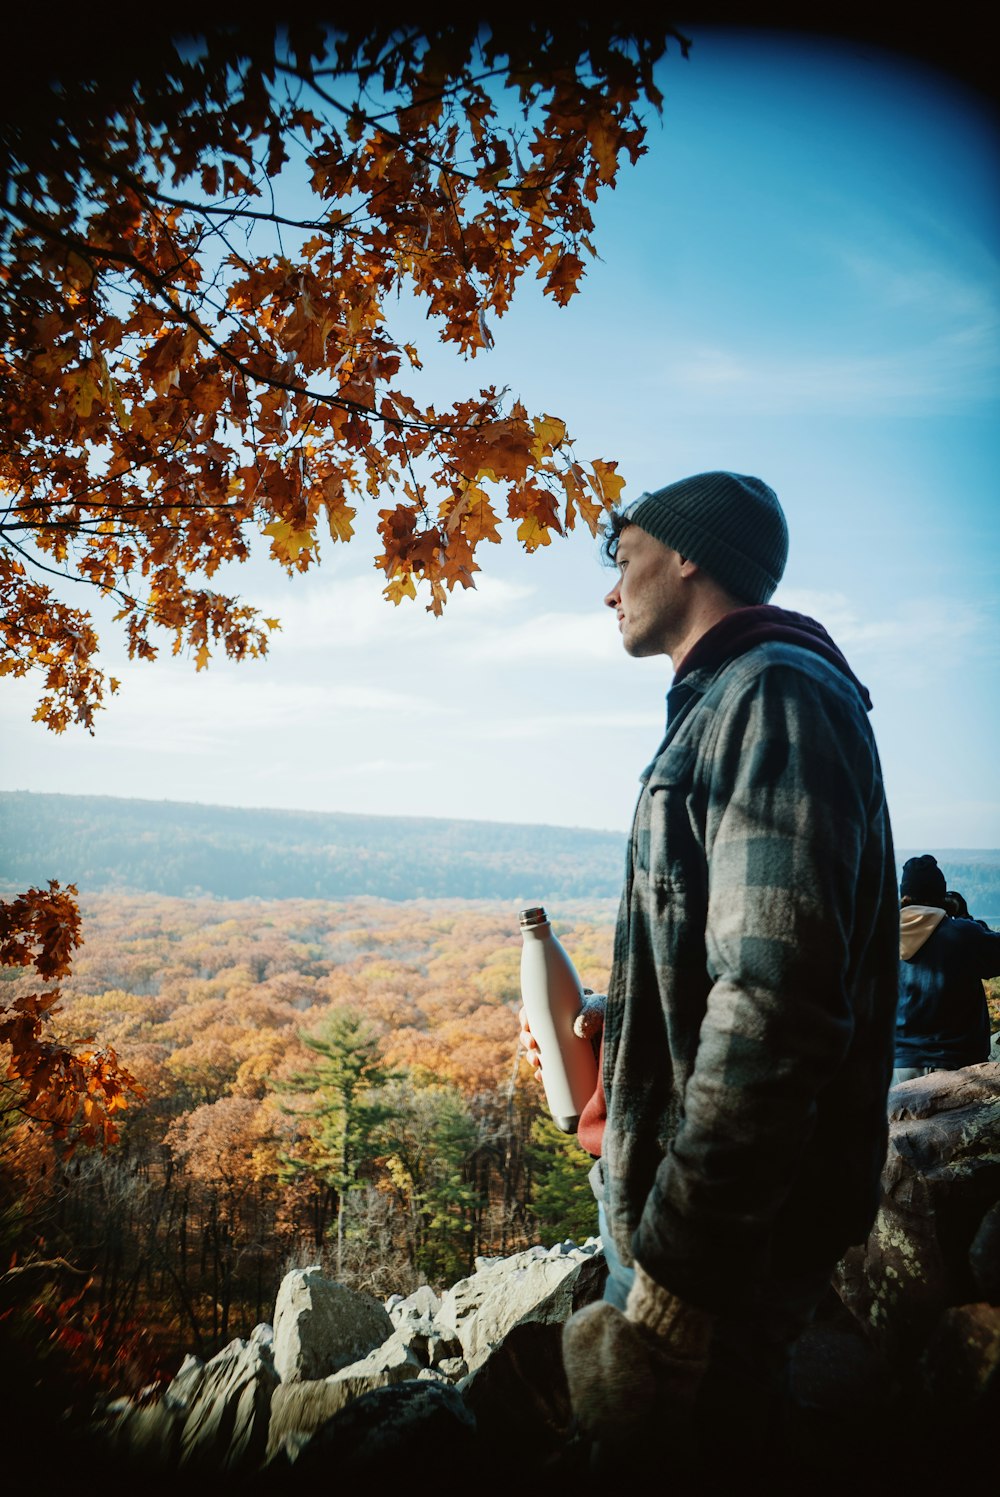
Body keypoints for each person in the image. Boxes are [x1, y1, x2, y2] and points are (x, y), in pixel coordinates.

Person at [522, 470, 900, 1479]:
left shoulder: (772, 695)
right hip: (692, 1216)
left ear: (688, 554)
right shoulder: (737, 700)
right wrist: (621, 1017)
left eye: (623, 555)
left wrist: (678, 1278)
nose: (610, 588)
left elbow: (776, 1009)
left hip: (720, 1243)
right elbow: (738, 960)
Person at [893, 853, 1000, 1085]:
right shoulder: (963, 935)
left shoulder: (880, 940)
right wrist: (966, 918)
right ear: (940, 896)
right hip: (960, 1067)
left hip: (900, 1067)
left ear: (904, 896)